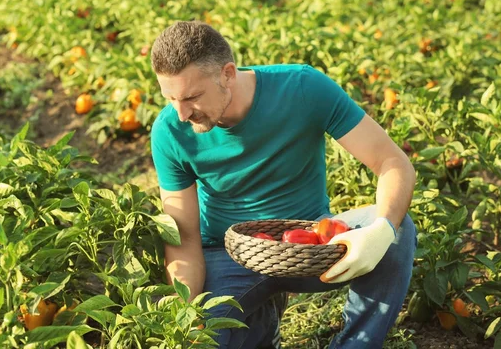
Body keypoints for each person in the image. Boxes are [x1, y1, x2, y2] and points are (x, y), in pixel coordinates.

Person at [149, 20, 417, 349]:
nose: (181, 113)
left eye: (192, 96)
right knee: (206, 342)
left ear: (228, 74)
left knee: (397, 231)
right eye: (171, 98)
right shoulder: (169, 132)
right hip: (229, 256)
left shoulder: (302, 88)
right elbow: (184, 240)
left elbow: (392, 162)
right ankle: (260, 325)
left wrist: (381, 230)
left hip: (312, 248)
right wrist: (187, 316)